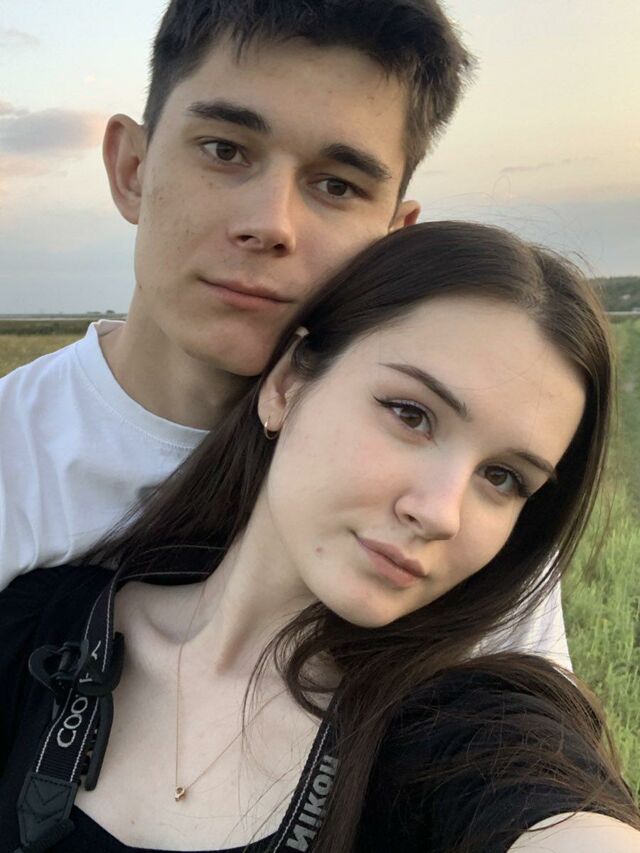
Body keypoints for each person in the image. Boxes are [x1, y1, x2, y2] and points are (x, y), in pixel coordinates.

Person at [1, 222, 639, 853]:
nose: (442, 514)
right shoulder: (32, 630)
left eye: (502, 478)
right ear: (286, 385)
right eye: (412, 415)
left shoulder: (463, 732)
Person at [0, 0, 570, 665]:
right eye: (225, 150)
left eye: (336, 185)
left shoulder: (450, 497)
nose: (271, 224)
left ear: (392, 240)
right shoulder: (14, 453)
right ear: (132, 169)